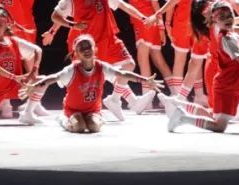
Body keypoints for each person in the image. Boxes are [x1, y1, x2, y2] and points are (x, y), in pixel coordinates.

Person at [47, 0, 158, 118]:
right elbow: (55, 16)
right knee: (92, 76)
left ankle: (117, 99)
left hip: (108, 36)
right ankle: (78, 107)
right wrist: (69, 26)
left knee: (128, 65)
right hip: (87, 43)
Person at [168, 0, 239, 133]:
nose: (215, 4)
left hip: (236, 77)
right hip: (224, 79)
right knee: (217, 122)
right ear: (209, 15)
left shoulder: (223, 24)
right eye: (211, 5)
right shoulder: (220, 32)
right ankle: (182, 115)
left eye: (229, 15)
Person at [24, 34, 162, 134]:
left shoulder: (102, 67)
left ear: (94, 48)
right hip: (73, 109)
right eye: (81, 48)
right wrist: (34, 87)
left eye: (88, 46)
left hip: (93, 110)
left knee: (93, 128)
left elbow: (123, 74)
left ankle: (99, 118)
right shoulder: (72, 70)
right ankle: (62, 119)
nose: (86, 50)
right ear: (76, 53)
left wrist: (144, 80)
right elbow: (53, 78)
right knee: (78, 128)